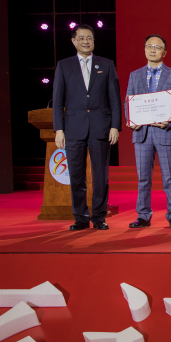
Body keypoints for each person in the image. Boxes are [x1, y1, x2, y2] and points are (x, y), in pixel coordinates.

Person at [52, 23, 121, 231]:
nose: (85, 41)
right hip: (73, 128)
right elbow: (58, 100)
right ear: (73, 41)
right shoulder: (64, 66)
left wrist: (115, 126)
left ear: (94, 41)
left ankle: (99, 216)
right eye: (81, 38)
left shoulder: (106, 64)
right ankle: (80, 217)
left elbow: (114, 99)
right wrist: (59, 129)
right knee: (76, 176)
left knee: (101, 176)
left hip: (101, 127)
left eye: (89, 38)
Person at [124, 34, 171, 229]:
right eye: (149, 46)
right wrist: (131, 119)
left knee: (170, 177)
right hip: (141, 133)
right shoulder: (134, 75)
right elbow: (128, 102)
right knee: (143, 178)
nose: (152, 50)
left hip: (165, 131)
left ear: (164, 52)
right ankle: (143, 215)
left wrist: (170, 120)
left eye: (157, 47)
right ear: (144, 49)